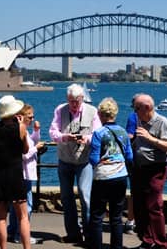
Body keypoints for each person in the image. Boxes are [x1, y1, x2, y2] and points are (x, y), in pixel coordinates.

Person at [48, 83, 101, 244]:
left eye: (76, 101)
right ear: (67, 99)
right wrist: (65, 137)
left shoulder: (93, 112)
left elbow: (98, 134)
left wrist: (87, 138)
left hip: (84, 161)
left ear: (82, 98)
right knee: (66, 197)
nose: (73, 104)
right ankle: (73, 233)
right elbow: (52, 132)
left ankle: (89, 233)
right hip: (65, 159)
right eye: (71, 101)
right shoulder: (60, 110)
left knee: (85, 196)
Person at [0, 95, 31, 249]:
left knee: (0, 217)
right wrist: (21, 125)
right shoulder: (21, 127)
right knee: (23, 216)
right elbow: (25, 150)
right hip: (14, 174)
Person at [130, 94, 167, 249]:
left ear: (147, 107)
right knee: (139, 206)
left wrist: (150, 138)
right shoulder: (139, 120)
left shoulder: (162, 122)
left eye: (137, 108)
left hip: (156, 168)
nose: (135, 112)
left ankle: (161, 244)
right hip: (139, 168)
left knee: (154, 206)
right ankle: (147, 240)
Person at [88, 97, 133, 249]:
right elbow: (129, 156)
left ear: (100, 114)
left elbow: (93, 158)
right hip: (120, 176)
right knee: (116, 216)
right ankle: (117, 246)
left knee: (97, 216)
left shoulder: (98, 133)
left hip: (103, 177)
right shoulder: (123, 132)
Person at [8, 104, 45, 244]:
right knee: (26, 207)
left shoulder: (22, 131)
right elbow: (23, 155)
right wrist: (36, 148)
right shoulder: (19, 133)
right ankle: (21, 235)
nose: (32, 119)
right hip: (24, 174)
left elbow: (31, 142)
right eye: (30, 117)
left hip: (20, 174)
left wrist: (36, 131)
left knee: (14, 206)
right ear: (21, 117)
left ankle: (12, 231)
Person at [123, 94, 142, 233]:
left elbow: (128, 136)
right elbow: (129, 136)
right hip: (137, 158)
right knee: (137, 190)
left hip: (137, 157)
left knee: (136, 191)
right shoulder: (133, 117)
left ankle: (132, 220)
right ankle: (132, 219)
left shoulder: (133, 117)